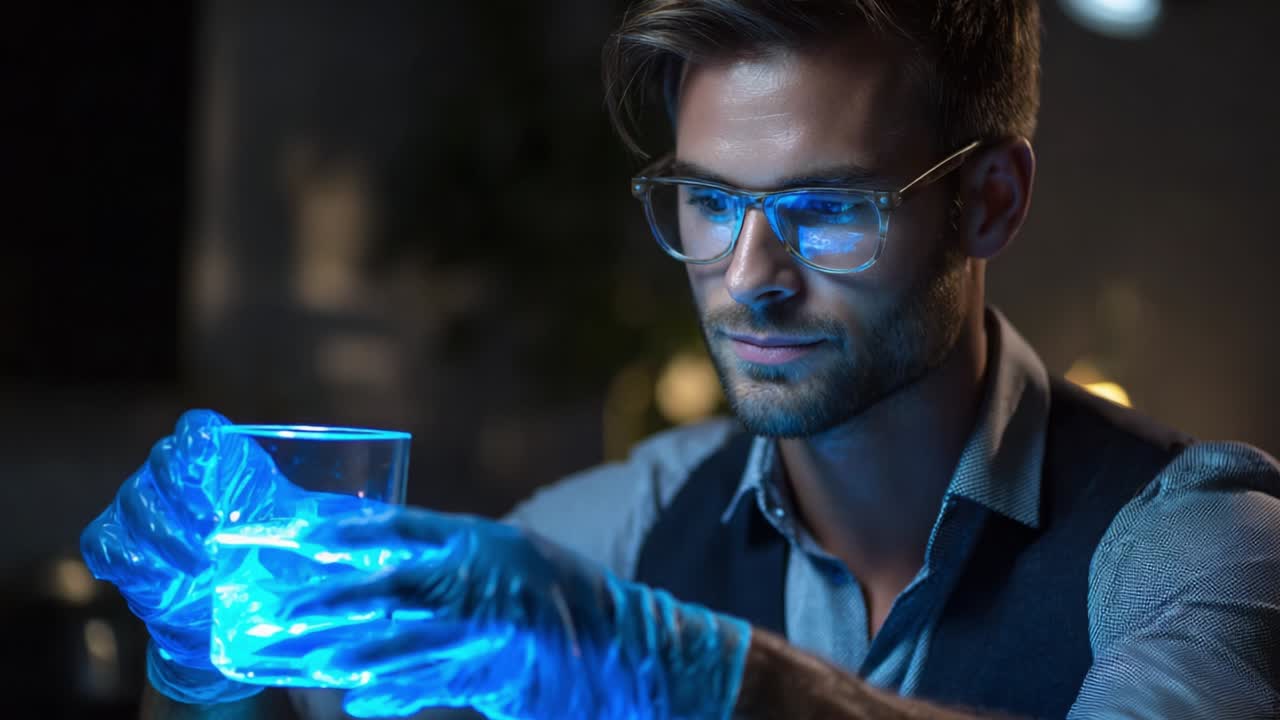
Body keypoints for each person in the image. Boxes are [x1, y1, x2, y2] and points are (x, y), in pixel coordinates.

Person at [82, 1, 1280, 718]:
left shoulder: (1200, 544)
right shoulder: (622, 526)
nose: (748, 272)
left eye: (825, 208)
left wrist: (687, 678)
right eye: (708, 201)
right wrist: (210, 661)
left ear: (989, 202)